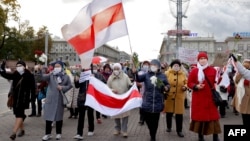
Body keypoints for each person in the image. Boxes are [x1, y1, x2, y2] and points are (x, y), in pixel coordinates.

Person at [187, 52, 221, 141]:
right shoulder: (194, 71)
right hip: (199, 99)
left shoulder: (213, 70)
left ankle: (215, 137)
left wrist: (220, 76)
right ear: (198, 60)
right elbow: (189, 83)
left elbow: (217, 81)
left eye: (204, 58)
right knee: (200, 119)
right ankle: (200, 137)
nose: (202, 60)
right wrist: (196, 86)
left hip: (210, 99)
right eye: (200, 58)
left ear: (207, 59)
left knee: (214, 118)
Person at [134, 59, 170, 141]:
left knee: (155, 122)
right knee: (147, 120)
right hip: (147, 101)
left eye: (155, 65)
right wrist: (135, 72)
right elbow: (138, 79)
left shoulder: (162, 76)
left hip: (157, 102)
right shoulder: (146, 75)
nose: (153, 66)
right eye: (152, 65)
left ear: (158, 67)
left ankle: (153, 136)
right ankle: (151, 131)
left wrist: (166, 87)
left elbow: (168, 85)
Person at [0, 60, 36, 140]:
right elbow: (5, 75)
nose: (18, 67)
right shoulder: (15, 74)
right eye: (17, 66)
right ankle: (22, 130)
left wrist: (32, 98)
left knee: (19, 114)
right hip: (16, 98)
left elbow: (33, 88)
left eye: (20, 65)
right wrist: (2, 66)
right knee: (17, 115)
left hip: (24, 99)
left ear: (24, 66)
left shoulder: (29, 75)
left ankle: (14, 133)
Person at [40, 61, 73, 141]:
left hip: (59, 99)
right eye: (55, 66)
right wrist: (41, 70)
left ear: (61, 67)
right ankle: (47, 134)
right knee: (48, 118)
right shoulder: (51, 75)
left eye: (58, 66)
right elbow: (42, 77)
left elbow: (70, 85)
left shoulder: (66, 76)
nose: (56, 68)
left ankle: (58, 133)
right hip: (50, 99)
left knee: (59, 118)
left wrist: (62, 88)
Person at [107, 63, 132, 138]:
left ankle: (124, 131)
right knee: (116, 115)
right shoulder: (110, 78)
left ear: (120, 69)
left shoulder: (125, 76)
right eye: (115, 69)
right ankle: (117, 129)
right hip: (115, 99)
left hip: (124, 98)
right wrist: (112, 90)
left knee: (125, 115)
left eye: (118, 69)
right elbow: (107, 87)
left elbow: (129, 84)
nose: (116, 70)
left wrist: (132, 85)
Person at [163, 59, 187, 137]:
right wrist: (165, 89)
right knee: (169, 113)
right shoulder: (167, 73)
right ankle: (169, 127)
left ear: (180, 67)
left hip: (179, 97)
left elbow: (187, 82)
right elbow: (163, 83)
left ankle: (179, 130)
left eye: (178, 66)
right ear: (171, 66)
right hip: (169, 96)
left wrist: (185, 87)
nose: (176, 67)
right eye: (175, 65)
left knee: (179, 115)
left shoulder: (183, 74)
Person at [73, 67, 95, 140]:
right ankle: (79, 133)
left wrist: (93, 79)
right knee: (81, 116)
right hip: (82, 98)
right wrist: (76, 80)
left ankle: (91, 129)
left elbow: (97, 85)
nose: (86, 69)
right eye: (85, 68)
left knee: (90, 114)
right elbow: (77, 86)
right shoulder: (81, 76)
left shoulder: (93, 75)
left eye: (87, 68)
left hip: (90, 97)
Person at [230, 57, 250, 126]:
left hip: (246, 96)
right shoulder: (241, 73)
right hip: (243, 95)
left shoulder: (246, 73)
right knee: (245, 115)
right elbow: (236, 80)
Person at [138, 60, 150, 126]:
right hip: (142, 92)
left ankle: (147, 119)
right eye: (145, 64)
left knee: (147, 106)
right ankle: (141, 119)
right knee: (141, 106)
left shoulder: (151, 73)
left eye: (147, 64)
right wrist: (138, 84)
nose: (146, 66)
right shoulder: (140, 73)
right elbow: (136, 80)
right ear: (142, 65)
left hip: (149, 93)